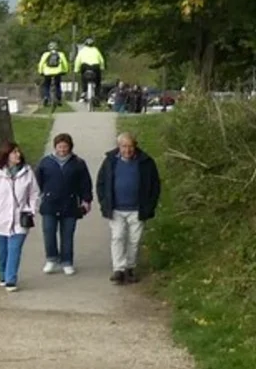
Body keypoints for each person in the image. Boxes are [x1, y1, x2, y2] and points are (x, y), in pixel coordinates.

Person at [95, 130, 162, 284]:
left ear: (135, 146)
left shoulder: (146, 162)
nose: (127, 150)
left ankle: (130, 268)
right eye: (124, 146)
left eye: (130, 146)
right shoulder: (110, 161)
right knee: (117, 236)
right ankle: (118, 269)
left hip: (137, 209)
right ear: (119, 147)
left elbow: (155, 185)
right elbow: (101, 183)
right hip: (116, 208)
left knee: (134, 240)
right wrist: (104, 203)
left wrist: (150, 205)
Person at [0, 141, 39, 292]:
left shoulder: (27, 172)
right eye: (14, 152)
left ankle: (11, 279)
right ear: (6, 155)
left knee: (15, 249)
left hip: (20, 220)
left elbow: (34, 193)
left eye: (18, 152)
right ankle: (2, 275)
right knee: (2, 250)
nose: (18, 155)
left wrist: (31, 210)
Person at [35, 132, 93, 275]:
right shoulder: (45, 162)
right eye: (59, 147)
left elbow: (85, 184)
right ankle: (51, 259)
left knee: (67, 234)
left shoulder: (78, 163)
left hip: (70, 204)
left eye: (65, 147)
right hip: (49, 204)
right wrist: (36, 199)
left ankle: (67, 261)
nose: (62, 150)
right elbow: (37, 183)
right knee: (49, 232)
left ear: (70, 147)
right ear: (55, 147)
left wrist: (86, 200)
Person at [74, 38, 106, 107]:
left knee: (83, 78)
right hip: (95, 66)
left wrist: (76, 70)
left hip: (85, 66)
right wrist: (102, 67)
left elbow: (77, 60)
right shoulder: (96, 50)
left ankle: (84, 91)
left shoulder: (82, 51)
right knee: (97, 81)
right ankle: (97, 95)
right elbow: (101, 60)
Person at [37, 41, 69, 108]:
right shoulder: (61, 54)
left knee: (46, 85)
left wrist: (40, 72)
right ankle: (59, 99)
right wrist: (65, 70)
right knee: (58, 85)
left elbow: (41, 64)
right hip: (57, 72)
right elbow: (65, 63)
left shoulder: (45, 54)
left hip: (47, 73)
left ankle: (46, 97)